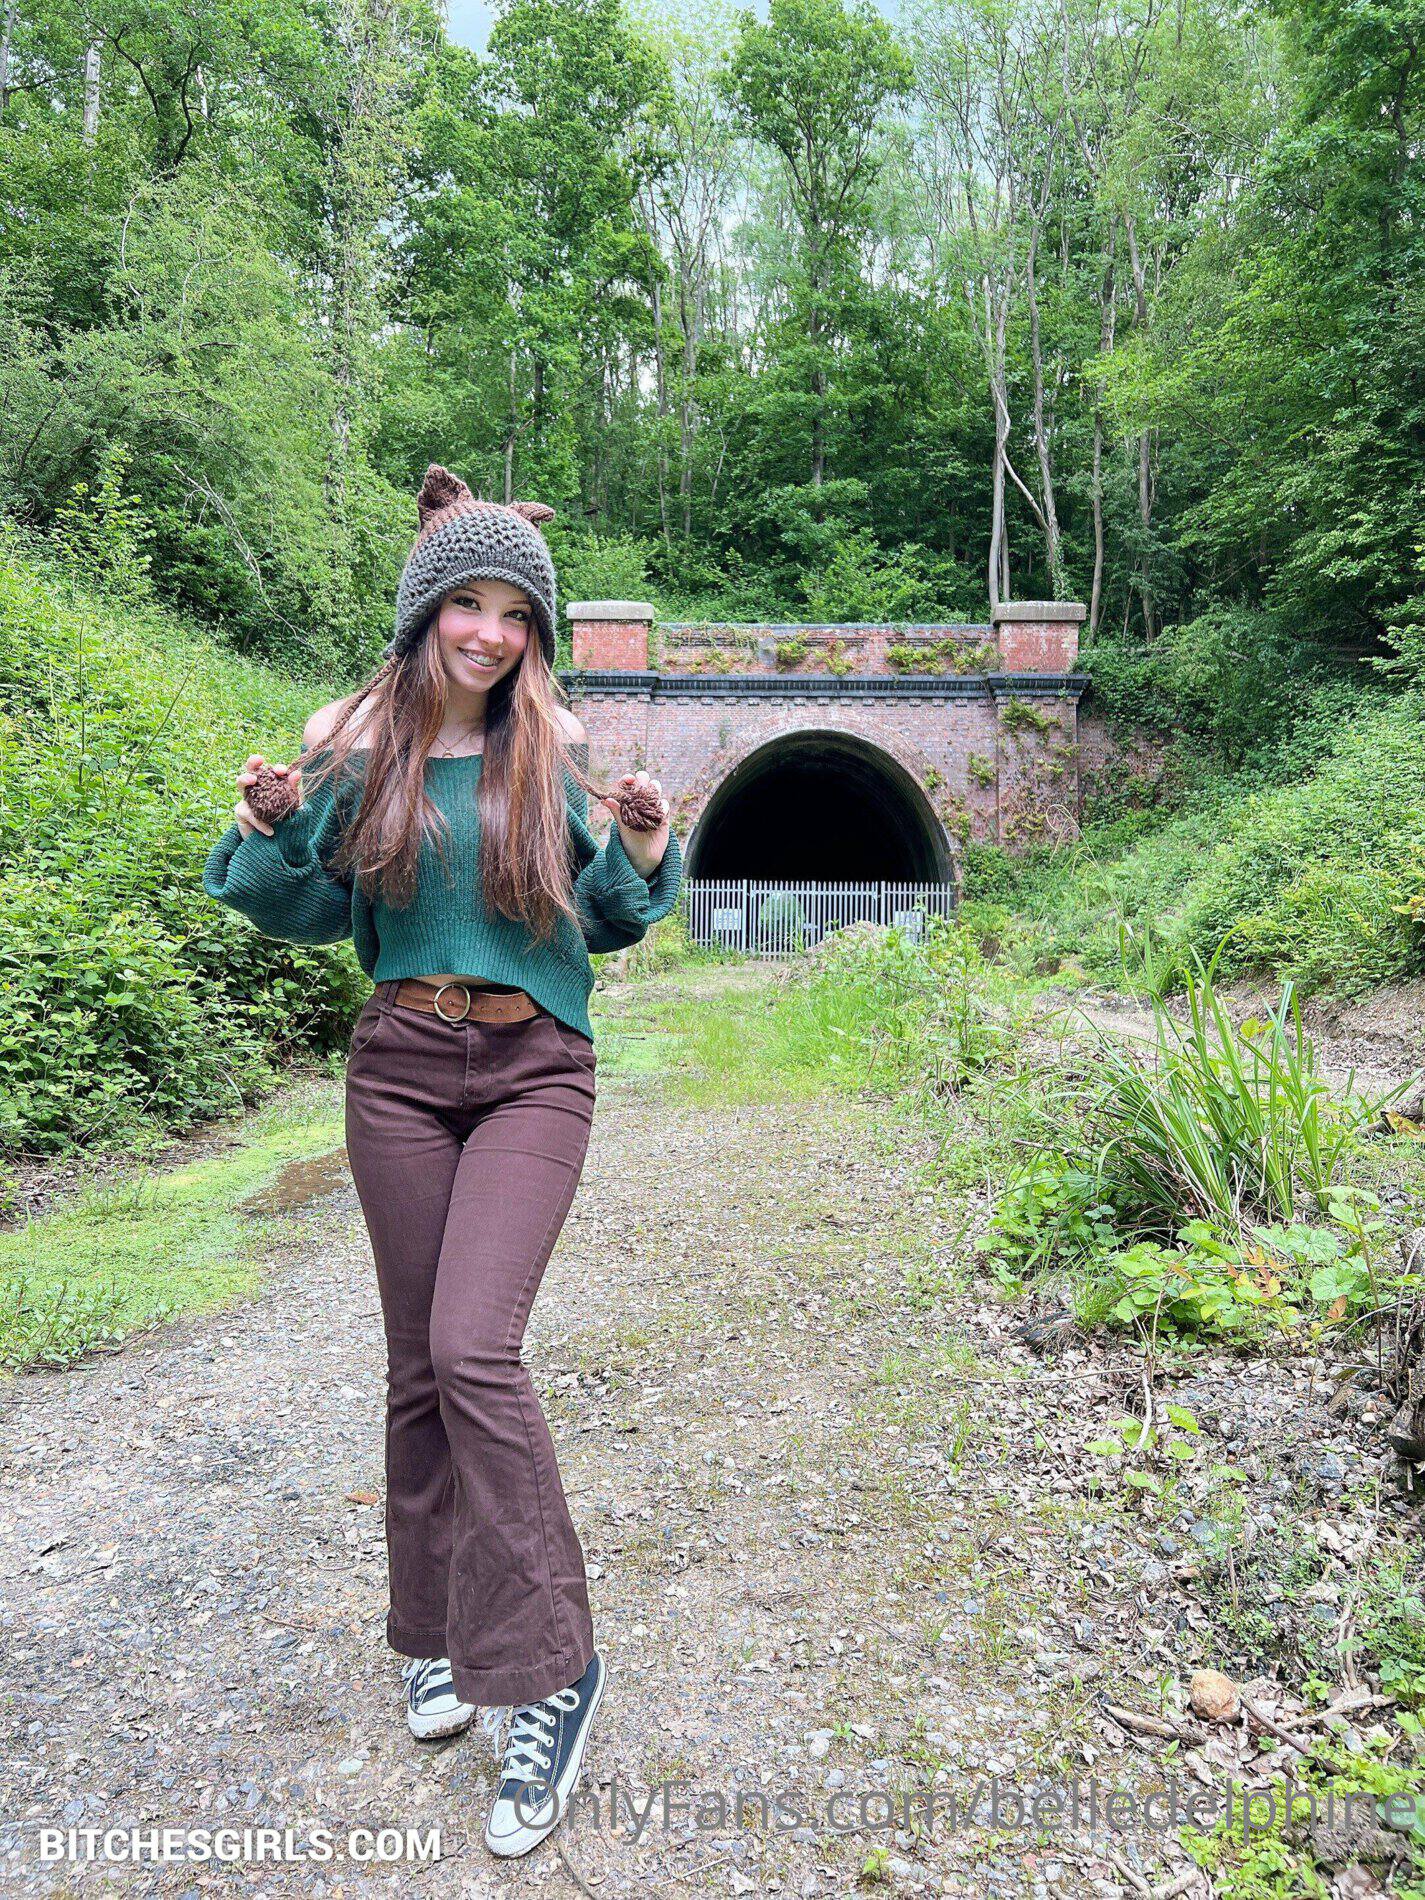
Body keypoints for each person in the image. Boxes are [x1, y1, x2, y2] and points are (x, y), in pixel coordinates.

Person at [201, 466, 683, 1859]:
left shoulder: (555, 752)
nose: (489, 632)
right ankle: (429, 1640)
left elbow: (607, 916)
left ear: (536, 632)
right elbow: (299, 905)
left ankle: (551, 1671)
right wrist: (265, 821)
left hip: (535, 1069)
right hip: (400, 1068)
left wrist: (645, 842)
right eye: (466, 604)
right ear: (424, 616)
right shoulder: (362, 752)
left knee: (476, 1350)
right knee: (416, 1365)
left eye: (514, 612)